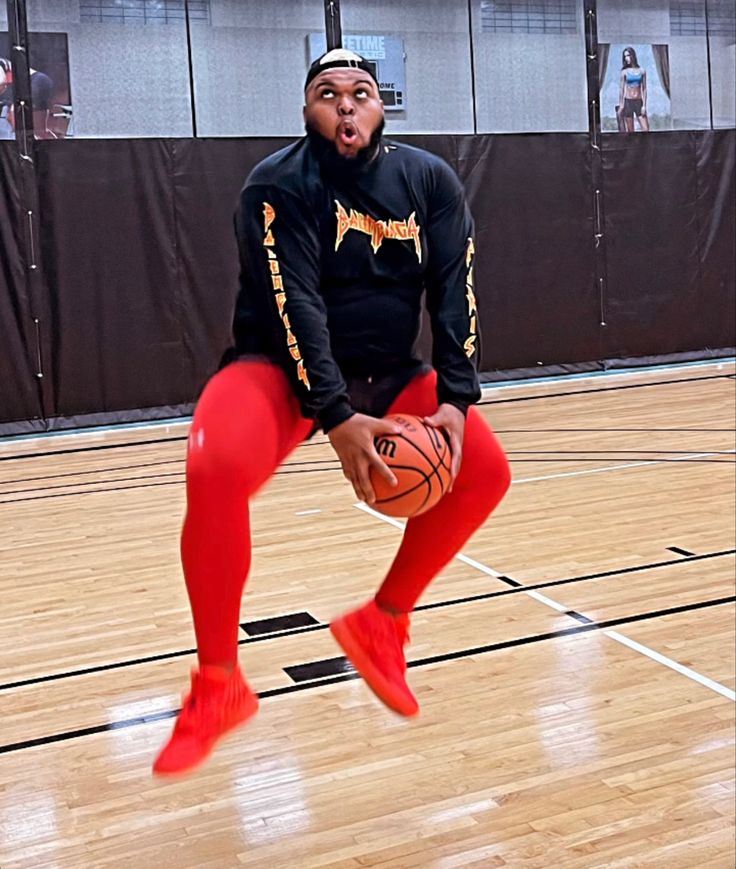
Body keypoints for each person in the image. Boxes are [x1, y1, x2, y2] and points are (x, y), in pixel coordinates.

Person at [153, 48, 512, 776]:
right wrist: (337, 415)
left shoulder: (429, 181)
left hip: (388, 369)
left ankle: (382, 624)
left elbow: (455, 290)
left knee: (484, 473)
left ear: (383, 108)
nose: (346, 105)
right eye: (328, 94)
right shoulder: (276, 185)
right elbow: (296, 307)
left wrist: (453, 399)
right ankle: (218, 683)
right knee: (214, 462)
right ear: (307, 110)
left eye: (362, 93)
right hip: (281, 370)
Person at [618, 47, 649, 133]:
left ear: (633, 55)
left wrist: (644, 106)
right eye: (625, 56)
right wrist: (621, 104)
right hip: (628, 102)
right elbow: (621, 90)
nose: (626, 58)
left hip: (639, 101)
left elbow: (644, 89)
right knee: (631, 131)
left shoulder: (642, 71)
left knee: (645, 129)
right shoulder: (624, 72)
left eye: (628, 55)